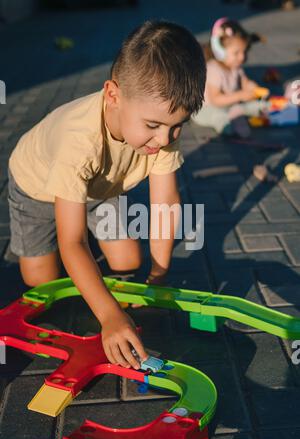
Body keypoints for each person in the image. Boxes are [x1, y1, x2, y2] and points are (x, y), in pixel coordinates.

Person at [8, 21, 206, 370]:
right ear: (113, 95)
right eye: (153, 126)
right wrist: (110, 317)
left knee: (128, 260)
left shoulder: (160, 127)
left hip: (101, 187)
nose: (164, 139)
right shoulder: (78, 142)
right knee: (42, 281)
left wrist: (159, 275)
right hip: (37, 186)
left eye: (177, 125)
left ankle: (94, 241)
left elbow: (165, 205)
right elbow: (73, 242)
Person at [192, 17, 268, 139]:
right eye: (236, 53)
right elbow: (216, 100)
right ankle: (227, 125)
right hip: (206, 108)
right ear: (219, 50)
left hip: (228, 105)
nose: (242, 57)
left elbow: (245, 83)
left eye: (244, 52)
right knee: (217, 115)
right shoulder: (213, 69)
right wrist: (241, 95)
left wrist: (252, 87)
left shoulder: (236, 67)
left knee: (240, 106)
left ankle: (260, 109)